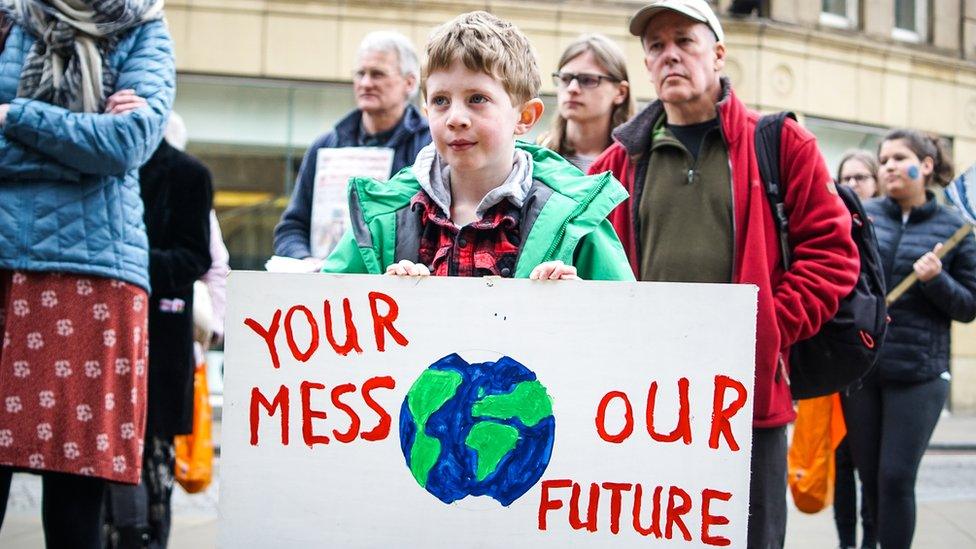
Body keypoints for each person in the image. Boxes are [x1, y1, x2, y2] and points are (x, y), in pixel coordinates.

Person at [588, 1, 859, 546]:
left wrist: (764, 331)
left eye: (684, 41)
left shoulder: (781, 144)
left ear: (717, 52)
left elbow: (832, 255)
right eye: (656, 46)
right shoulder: (614, 166)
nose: (670, 55)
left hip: (748, 401)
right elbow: (589, 268)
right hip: (643, 402)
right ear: (645, 66)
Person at [0, 0, 175, 546]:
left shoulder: (144, 28)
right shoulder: (10, 18)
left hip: (95, 277)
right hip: (5, 266)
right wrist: (84, 138)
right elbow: (104, 148)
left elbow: (127, 144)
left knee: (75, 507)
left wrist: (15, 117)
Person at [321, 11, 634, 282]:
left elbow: (625, 326)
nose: (456, 118)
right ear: (427, 111)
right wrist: (382, 300)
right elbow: (327, 314)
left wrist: (580, 303)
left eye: (477, 99)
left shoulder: (575, 219)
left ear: (525, 117)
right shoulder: (384, 216)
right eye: (441, 101)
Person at [844, 129, 976, 549]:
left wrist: (937, 281)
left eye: (900, 158)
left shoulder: (955, 228)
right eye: (883, 161)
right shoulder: (865, 217)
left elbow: (968, 307)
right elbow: (846, 283)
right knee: (869, 478)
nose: (889, 167)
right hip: (863, 369)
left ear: (926, 165)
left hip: (918, 374)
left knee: (896, 478)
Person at [100, 114, 213, 548]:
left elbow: (196, 258)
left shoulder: (188, 174)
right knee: (93, 473)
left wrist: (125, 264)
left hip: (159, 344)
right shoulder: (98, 169)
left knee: (152, 471)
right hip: (101, 340)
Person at [274, 31, 432, 263]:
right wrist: (306, 261)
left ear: (409, 83)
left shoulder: (429, 146)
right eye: (360, 74)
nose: (366, 83)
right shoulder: (324, 146)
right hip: (323, 289)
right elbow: (291, 228)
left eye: (377, 74)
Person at [833, 148, 880, 549]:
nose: (852, 186)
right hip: (841, 361)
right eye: (845, 179)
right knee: (840, 461)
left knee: (873, 468)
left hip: (881, 363)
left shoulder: (881, 225)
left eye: (860, 178)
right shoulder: (836, 222)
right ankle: (845, 542)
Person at [537, 33, 634, 173]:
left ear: (620, 92)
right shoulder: (535, 157)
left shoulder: (635, 164)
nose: (572, 88)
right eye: (565, 78)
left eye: (588, 80)